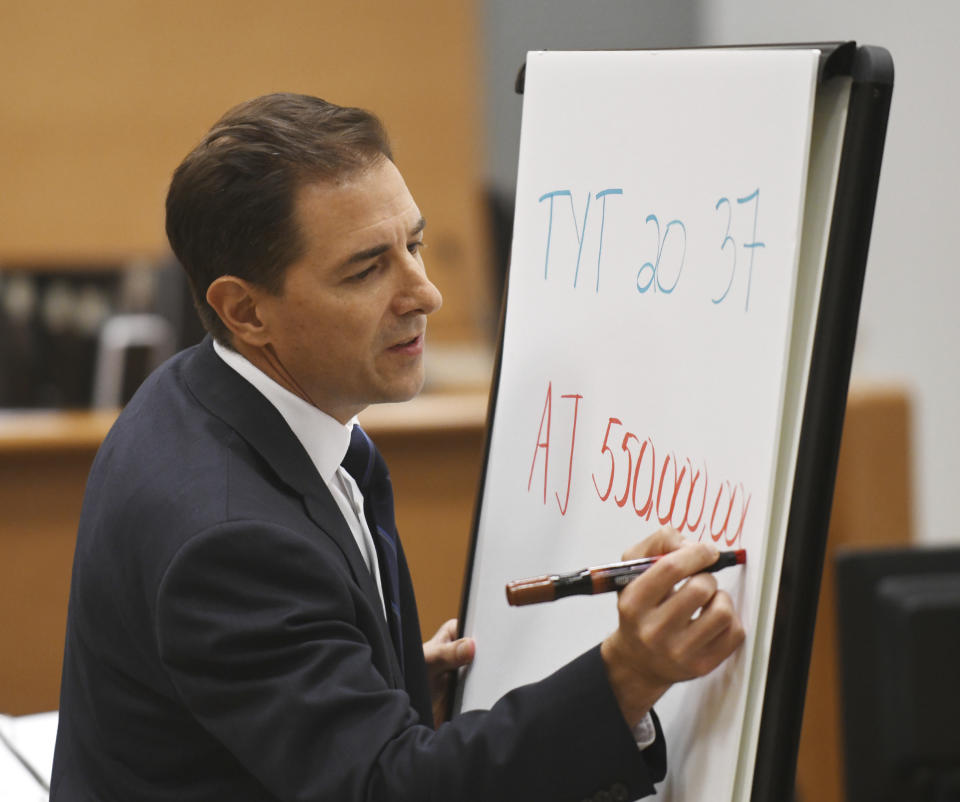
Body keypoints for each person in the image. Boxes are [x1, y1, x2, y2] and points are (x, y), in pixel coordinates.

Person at [51, 93, 744, 802]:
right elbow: (390, 790)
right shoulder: (230, 542)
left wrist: (369, 686)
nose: (426, 293)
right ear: (245, 310)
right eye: (366, 270)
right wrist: (624, 678)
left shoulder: (197, 392)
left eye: (412, 244)